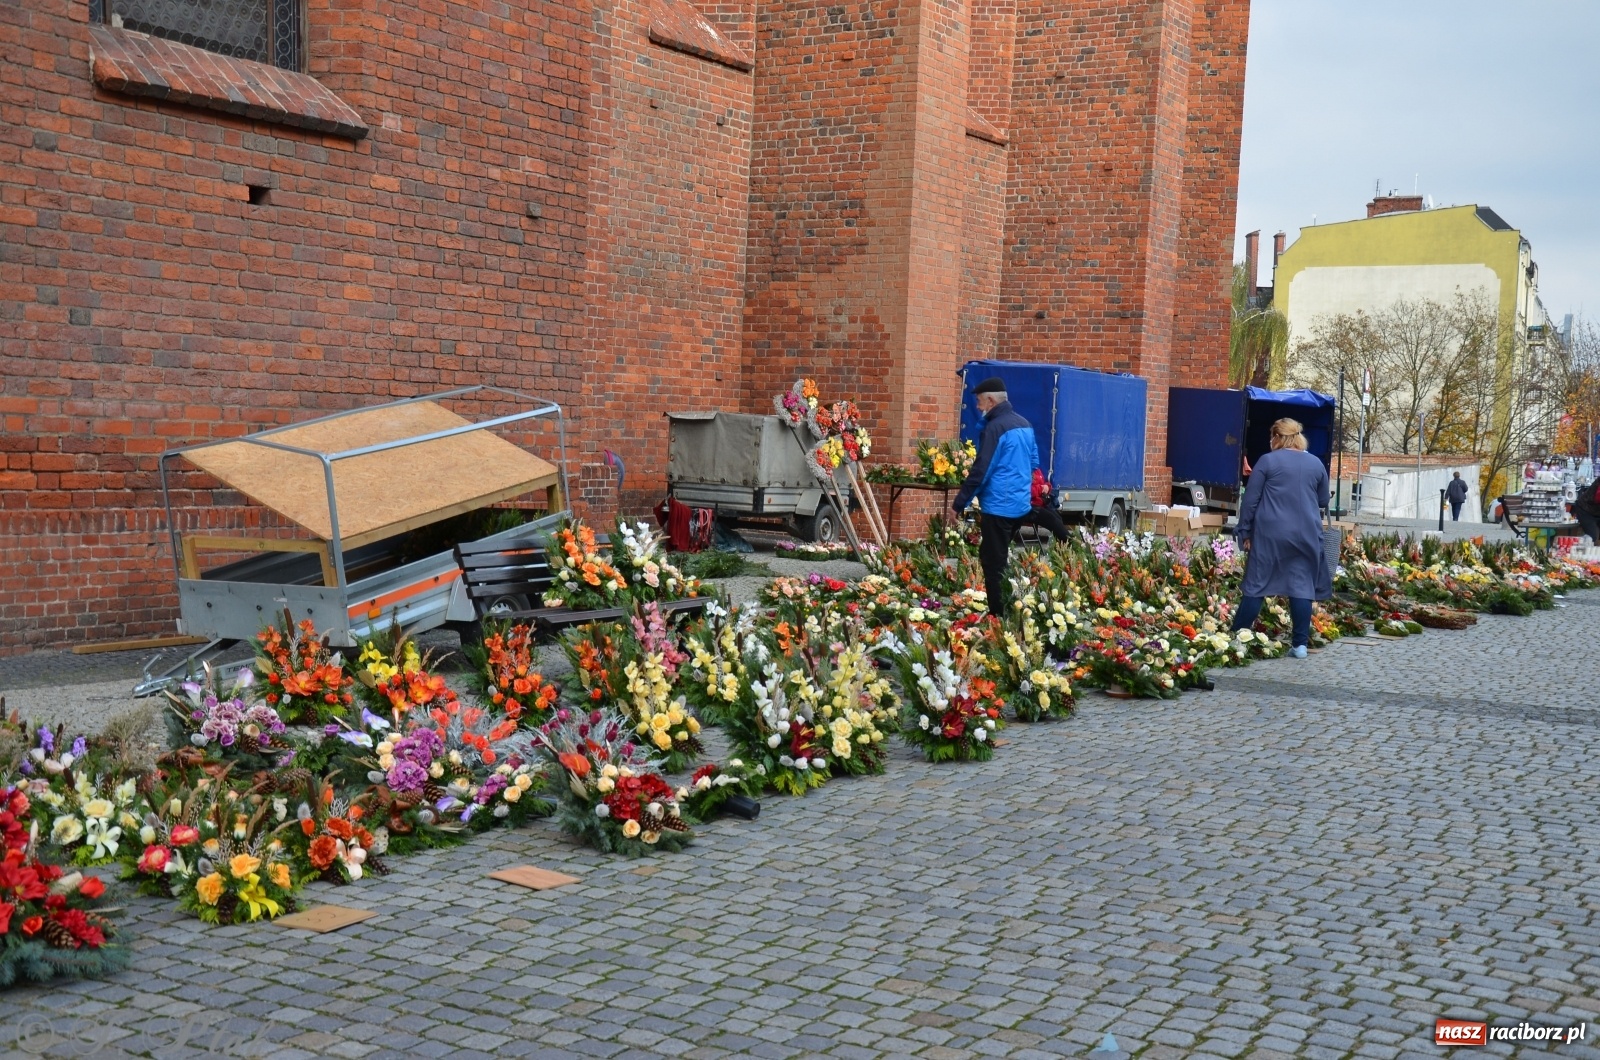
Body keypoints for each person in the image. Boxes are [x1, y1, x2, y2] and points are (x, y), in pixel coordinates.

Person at [1231, 417, 1331, 659]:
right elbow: (1323, 501)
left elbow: (1251, 500)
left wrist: (1245, 531)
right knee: (1301, 587)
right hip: (1307, 532)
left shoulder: (1267, 461)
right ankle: (1300, 646)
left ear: (1277, 438)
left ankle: (1235, 637)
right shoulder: (1316, 463)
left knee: (1257, 584)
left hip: (1270, 533)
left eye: (1271, 436)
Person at [952, 377, 1044, 614]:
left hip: (998, 507)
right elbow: (1034, 464)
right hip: (1019, 506)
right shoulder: (1024, 424)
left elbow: (982, 470)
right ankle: (1010, 607)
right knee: (1001, 559)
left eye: (980, 402)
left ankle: (998, 618)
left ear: (991, 401)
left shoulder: (995, 428)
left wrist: (959, 503)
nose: (978, 407)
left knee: (993, 564)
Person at [1572, 478, 1600, 543]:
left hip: (1596, 511)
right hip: (1585, 510)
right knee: (1593, 537)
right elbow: (1597, 498)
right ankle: (1580, 548)